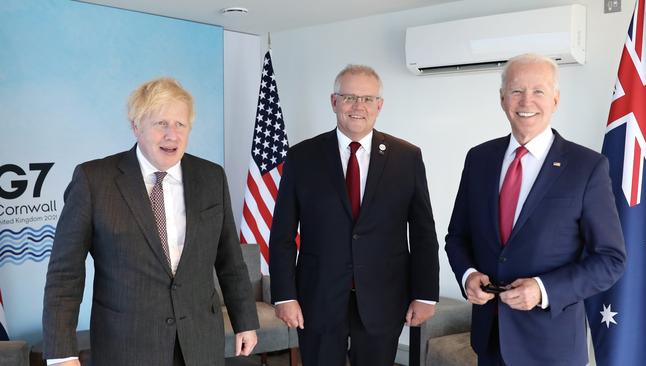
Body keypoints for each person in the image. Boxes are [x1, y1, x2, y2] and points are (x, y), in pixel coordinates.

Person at [42, 77, 259, 366]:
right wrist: (61, 353)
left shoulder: (211, 177)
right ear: (136, 126)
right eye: (161, 124)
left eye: (180, 124)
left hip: (199, 343)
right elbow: (64, 275)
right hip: (126, 346)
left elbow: (230, 259)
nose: (172, 135)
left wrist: (244, 319)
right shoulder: (94, 180)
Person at [445, 53, 627, 365]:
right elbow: (457, 237)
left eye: (538, 91)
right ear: (503, 99)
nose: (526, 100)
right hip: (490, 341)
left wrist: (543, 290)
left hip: (551, 347)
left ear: (555, 99)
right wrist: (468, 275)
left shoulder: (587, 167)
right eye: (516, 91)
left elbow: (610, 260)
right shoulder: (479, 159)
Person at [269, 65, 439, 366]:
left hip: (384, 296)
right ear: (334, 102)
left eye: (368, 99)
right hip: (317, 297)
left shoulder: (407, 158)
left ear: (379, 106)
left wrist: (426, 294)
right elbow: (282, 233)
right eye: (349, 97)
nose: (358, 107)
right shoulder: (302, 157)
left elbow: (423, 233)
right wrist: (284, 295)